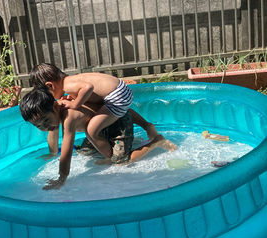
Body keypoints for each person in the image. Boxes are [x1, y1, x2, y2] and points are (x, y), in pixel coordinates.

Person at [20, 86, 177, 190]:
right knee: (85, 152)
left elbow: (66, 151)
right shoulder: (55, 112)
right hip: (100, 127)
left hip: (118, 123)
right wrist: (52, 152)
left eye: (46, 121)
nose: (45, 127)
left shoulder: (69, 117)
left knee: (120, 161)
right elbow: (52, 132)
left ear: (55, 107)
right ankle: (115, 147)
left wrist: (62, 177)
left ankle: (156, 142)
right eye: (38, 126)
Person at [29, 63, 136, 160]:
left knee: (91, 130)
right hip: (119, 89)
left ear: (50, 85)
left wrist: (75, 104)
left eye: (48, 95)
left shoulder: (68, 86)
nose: (51, 99)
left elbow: (88, 87)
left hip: (117, 95)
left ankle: (109, 157)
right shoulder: (71, 81)